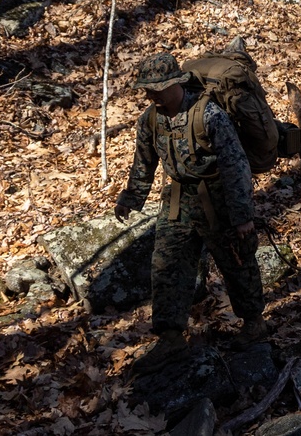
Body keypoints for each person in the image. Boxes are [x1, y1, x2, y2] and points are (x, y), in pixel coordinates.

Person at [114, 52, 267, 375]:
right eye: (147, 90)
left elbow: (236, 166)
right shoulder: (150, 119)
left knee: (237, 262)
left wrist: (242, 215)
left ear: (176, 84)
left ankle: (254, 323)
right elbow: (143, 162)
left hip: (219, 199)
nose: (151, 95)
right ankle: (170, 337)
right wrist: (131, 198)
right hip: (176, 199)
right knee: (166, 266)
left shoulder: (209, 115)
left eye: (157, 89)